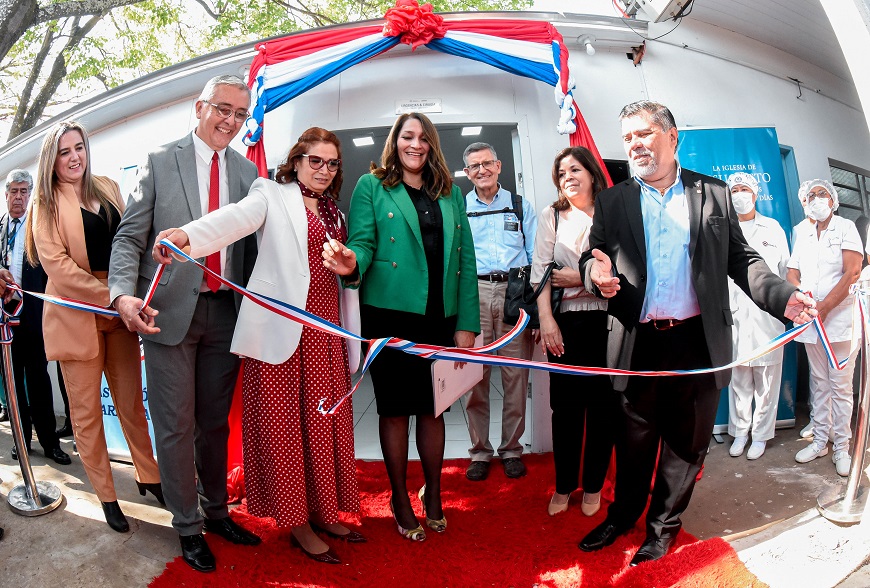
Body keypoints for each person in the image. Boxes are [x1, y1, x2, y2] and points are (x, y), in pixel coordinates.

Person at [577, 101, 815, 566]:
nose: (636, 145)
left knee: (686, 445)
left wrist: (783, 296)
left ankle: (662, 526)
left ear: (672, 136)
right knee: (633, 440)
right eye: (627, 138)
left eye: (644, 134)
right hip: (635, 340)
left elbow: (742, 261)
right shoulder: (613, 199)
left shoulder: (713, 193)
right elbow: (594, 254)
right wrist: (593, 272)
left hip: (697, 341)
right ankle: (622, 514)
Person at [152, 127, 362, 565]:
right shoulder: (270, 192)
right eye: (315, 160)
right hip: (282, 335)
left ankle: (323, 509)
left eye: (332, 163)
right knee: (285, 431)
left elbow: (344, 273)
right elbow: (233, 219)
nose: (323, 169)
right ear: (297, 160)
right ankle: (297, 521)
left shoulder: (334, 212)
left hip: (326, 334)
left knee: (322, 427)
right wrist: (188, 236)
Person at [108, 75, 261, 572]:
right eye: (222, 109)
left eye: (240, 114)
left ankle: (217, 512)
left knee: (214, 424)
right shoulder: (158, 161)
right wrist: (123, 296)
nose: (230, 122)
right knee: (174, 425)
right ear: (199, 108)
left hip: (224, 316)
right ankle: (187, 526)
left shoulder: (244, 173)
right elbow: (129, 239)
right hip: (167, 316)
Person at [323, 112, 479, 542]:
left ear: (432, 144)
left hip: (439, 318)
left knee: (435, 408)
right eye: (407, 136)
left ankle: (433, 496)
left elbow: (465, 260)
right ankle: (398, 496)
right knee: (394, 411)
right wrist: (351, 262)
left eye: (423, 137)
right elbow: (364, 242)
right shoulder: (372, 185)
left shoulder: (450, 192)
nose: (416, 144)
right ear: (396, 141)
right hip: (388, 315)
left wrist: (466, 323)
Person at [25, 121, 162, 533]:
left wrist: (130, 293)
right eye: (65, 151)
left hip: (119, 314)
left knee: (132, 406)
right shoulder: (43, 204)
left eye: (79, 147)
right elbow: (59, 270)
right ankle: (106, 496)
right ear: (52, 160)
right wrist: (115, 297)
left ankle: (150, 478)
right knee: (86, 417)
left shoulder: (107, 187)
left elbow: (129, 240)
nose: (74, 157)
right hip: (78, 316)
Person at [533, 146, 617, 518]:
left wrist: (574, 277)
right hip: (565, 322)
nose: (567, 176)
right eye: (561, 172)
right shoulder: (552, 215)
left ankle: (594, 486)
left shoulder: (613, 212)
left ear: (591, 172)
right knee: (564, 410)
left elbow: (623, 270)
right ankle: (565, 485)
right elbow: (541, 273)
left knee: (602, 408)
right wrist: (546, 321)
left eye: (574, 169)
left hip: (609, 323)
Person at [462, 141, 536, 481]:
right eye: (474, 166)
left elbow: (537, 260)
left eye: (487, 163)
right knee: (474, 379)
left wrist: (536, 309)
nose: (482, 170)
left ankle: (511, 450)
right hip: (474, 293)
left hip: (514, 294)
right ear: (467, 173)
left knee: (515, 377)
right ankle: (479, 452)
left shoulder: (519, 206)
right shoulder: (459, 209)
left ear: (499, 165)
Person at [788, 179, 861, 477]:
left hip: (839, 321)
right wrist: (803, 298)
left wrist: (825, 307)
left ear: (833, 200)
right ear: (804, 203)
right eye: (810, 196)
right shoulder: (803, 234)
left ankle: (842, 446)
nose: (816, 199)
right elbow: (793, 273)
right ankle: (820, 441)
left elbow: (852, 271)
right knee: (818, 383)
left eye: (822, 194)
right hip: (812, 321)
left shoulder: (845, 227)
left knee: (841, 386)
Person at [2, 169, 70, 465]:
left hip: (34, 318)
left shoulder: (39, 228)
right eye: (13, 191)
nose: (18, 197)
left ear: (30, 195)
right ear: (5, 195)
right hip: (7, 320)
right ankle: (22, 439)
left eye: (23, 191)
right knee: (14, 384)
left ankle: (50, 443)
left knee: (39, 380)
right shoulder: (0, 227)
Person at [725, 172, 791, 460]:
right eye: (734, 189)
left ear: (755, 194)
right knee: (738, 379)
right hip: (735, 315)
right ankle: (739, 432)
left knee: (766, 380)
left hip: (767, 318)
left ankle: (761, 435)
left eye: (744, 189)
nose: (739, 193)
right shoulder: (724, 228)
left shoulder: (772, 228)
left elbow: (787, 272)